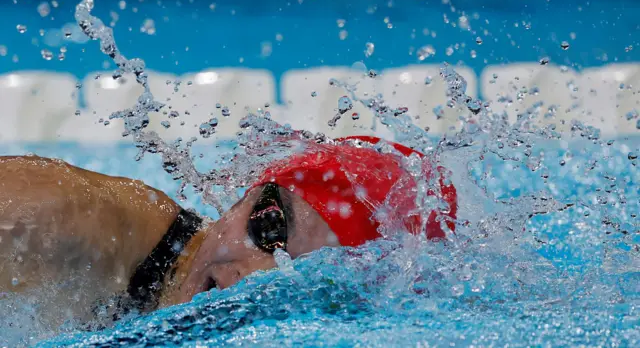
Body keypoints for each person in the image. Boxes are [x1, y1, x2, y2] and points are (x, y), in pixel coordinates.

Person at [0, 135, 457, 325]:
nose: (252, 276)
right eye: (268, 227)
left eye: (305, 276)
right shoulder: (60, 217)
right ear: (249, 194)